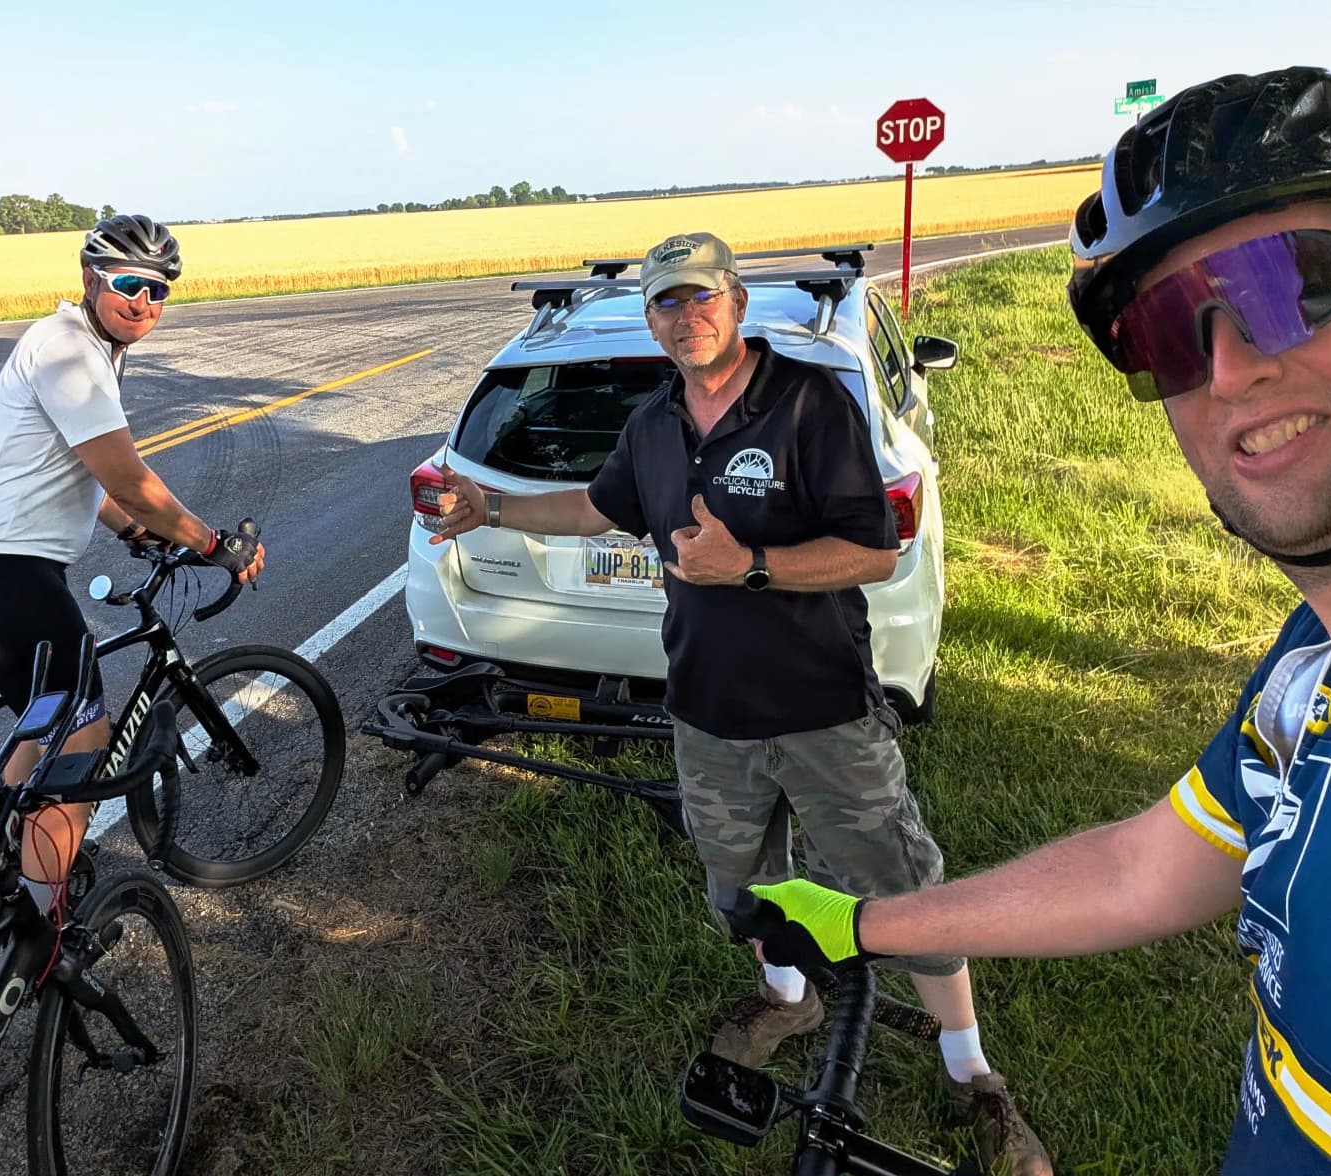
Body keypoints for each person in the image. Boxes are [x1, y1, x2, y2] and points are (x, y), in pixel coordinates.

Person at [733, 66, 1331, 1173]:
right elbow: (1145, 868)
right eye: (1169, 335)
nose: (1230, 371)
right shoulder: (1311, 669)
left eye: (1289, 285)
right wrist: (863, 924)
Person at [428, 231, 1049, 1171]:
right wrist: (494, 508)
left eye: (702, 296)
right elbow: (598, 507)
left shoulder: (809, 403)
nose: (687, 317)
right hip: (708, 714)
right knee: (745, 890)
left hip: (821, 708)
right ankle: (789, 1001)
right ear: (652, 321)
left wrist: (747, 565)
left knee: (902, 889)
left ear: (737, 302)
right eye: (667, 302)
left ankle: (972, 1071)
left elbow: (874, 551)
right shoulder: (652, 425)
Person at [0, 212, 262, 889]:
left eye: (158, 290)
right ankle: (44, 921)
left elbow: (85, 475)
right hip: (9, 573)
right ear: (90, 279)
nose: (142, 302)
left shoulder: (85, 346)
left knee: (46, 730)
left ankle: (1, 851)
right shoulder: (70, 351)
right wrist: (213, 543)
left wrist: (134, 531)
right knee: (84, 739)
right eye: (127, 284)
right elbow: (131, 482)